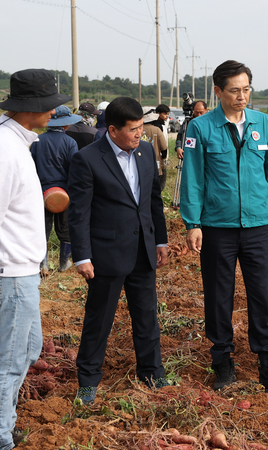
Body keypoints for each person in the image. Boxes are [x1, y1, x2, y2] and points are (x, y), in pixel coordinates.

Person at [0, 68, 68, 450]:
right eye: (49, 106)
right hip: (9, 275)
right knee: (6, 362)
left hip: (19, 272)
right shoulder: (4, 150)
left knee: (29, 350)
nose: (54, 112)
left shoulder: (15, 143)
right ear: (29, 108)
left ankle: (1, 426)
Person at [180, 60, 268, 392]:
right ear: (218, 91)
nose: (242, 96)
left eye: (247, 89)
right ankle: (222, 362)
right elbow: (193, 178)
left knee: (262, 294)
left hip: (257, 224)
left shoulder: (263, 122)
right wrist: (193, 222)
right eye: (235, 90)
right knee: (219, 296)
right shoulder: (202, 128)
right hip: (217, 226)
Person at [67, 96, 169, 405]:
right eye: (133, 129)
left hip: (142, 249)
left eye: (141, 127)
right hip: (106, 254)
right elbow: (79, 212)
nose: (140, 134)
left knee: (147, 316)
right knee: (99, 319)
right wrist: (82, 255)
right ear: (112, 130)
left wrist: (160, 240)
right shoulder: (88, 159)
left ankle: (152, 373)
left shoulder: (144, 152)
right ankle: (88, 380)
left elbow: (152, 200)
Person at [30, 105, 81, 275]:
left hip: (41, 192)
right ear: (65, 125)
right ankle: (63, 263)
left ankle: (42, 265)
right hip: (65, 193)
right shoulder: (70, 142)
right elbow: (75, 170)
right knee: (64, 229)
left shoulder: (37, 141)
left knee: (42, 228)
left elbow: (31, 167)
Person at [141, 111, 169, 191]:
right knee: (157, 187)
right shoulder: (156, 130)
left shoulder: (138, 130)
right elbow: (164, 148)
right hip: (156, 162)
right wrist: (163, 158)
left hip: (141, 162)